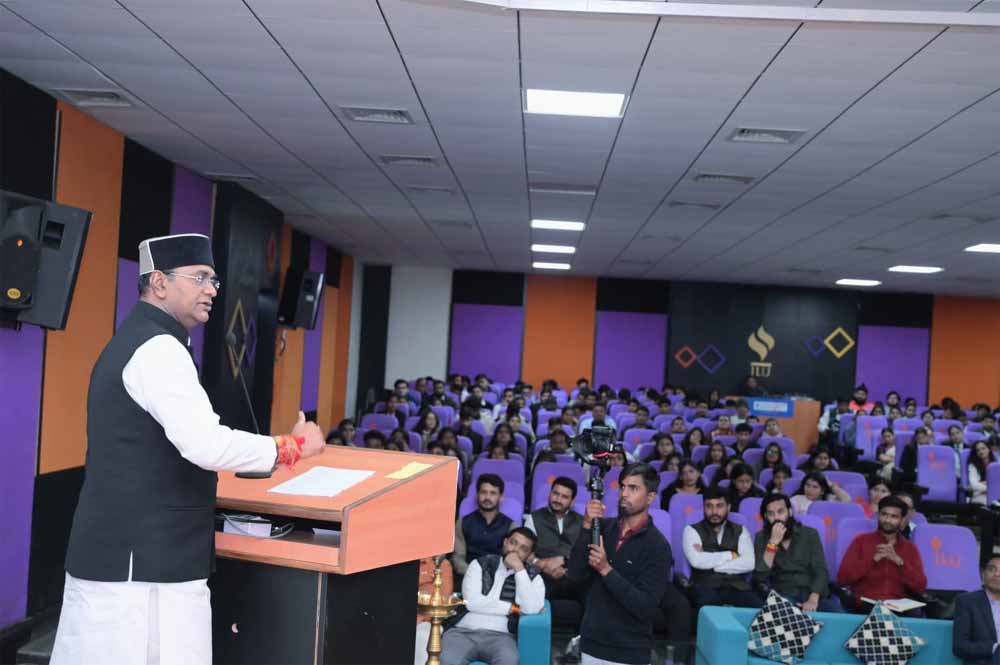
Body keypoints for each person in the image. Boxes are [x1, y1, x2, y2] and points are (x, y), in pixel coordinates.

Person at [50, 233, 326, 665]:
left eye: (213, 280)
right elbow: (206, 445)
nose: (212, 289)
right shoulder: (158, 349)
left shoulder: (145, 340)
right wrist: (291, 447)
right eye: (199, 277)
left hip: (134, 556)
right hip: (142, 567)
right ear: (159, 282)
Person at [567, 463, 672, 665]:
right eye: (622, 486)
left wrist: (605, 569)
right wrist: (586, 526)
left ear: (650, 497)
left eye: (633, 488)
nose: (624, 493)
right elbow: (574, 574)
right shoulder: (602, 528)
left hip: (629, 651)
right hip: (591, 644)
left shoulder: (658, 546)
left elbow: (644, 607)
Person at [440, 528, 546, 665]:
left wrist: (519, 569)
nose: (515, 550)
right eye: (513, 543)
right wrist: (513, 608)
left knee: (509, 661)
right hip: (463, 632)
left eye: (523, 549)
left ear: (530, 555)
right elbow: (472, 603)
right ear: (505, 542)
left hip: (502, 637)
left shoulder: (534, 578)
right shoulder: (479, 564)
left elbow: (531, 608)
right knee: (446, 659)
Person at [836, 496, 927, 614]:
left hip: (899, 607)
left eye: (894, 516)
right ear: (878, 515)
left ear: (902, 520)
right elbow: (843, 579)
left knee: (916, 613)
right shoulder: (861, 541)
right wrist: (872, 559)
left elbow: (920, 586)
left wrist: (900, 562)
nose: (888, 520)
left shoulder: (910, 548)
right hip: (866, 604)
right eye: (884, 514)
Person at [754, 494, 841, 612]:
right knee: (787, 616)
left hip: (812, 593)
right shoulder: (761, 538)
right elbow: (760, 576)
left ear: (789, 512)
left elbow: (820, 570)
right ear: (766, 517)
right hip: (783, 595)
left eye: (780, 512)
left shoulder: (810, 534)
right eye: (771, 514)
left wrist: (813, 599)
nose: (777, 518)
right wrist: (772, 543)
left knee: (839, 614)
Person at [683, 488, 761, 610]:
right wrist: (730, 555)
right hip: (705, 586)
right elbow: (696, 561)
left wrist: (714, 565)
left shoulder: (740, 530)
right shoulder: (691, 530)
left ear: (728, 507)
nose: (714, 511)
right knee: (709, 610)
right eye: (709, 506)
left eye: (719, 506)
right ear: (703, 508)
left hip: (737, 587)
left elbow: (749, 563)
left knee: (758, 609)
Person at [524, 477, 582, 600]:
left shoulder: (582, 522)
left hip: (573, 579)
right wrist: (540, 564)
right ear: (549, 494)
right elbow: (525, 550)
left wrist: (566, 569)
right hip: (541, 577)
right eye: (555, 493)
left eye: (564, 497)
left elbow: (585, 554)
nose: (558, 500)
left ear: (572, 502)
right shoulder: (534, 518)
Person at [452, 474, 515, 577]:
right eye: (483, 492)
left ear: (501, 497)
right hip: (468, 575)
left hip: (499, 577)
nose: (487, 497)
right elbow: (458, 557)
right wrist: (472, 575)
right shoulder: (463, 522)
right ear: (477, 495)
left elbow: (512, 558)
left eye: (493, 493)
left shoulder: (511, 526)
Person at [952, 554, 1000, 665]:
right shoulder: (967, 602)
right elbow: (960, 647)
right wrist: (995, 648)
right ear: (983, 574)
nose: (997, 574)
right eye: (992, 569)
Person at [415, 557, 454, 665]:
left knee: (423, 635)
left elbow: (442, 599)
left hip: (426, 621)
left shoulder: (442, 564)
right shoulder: (401, 560)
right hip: (397, 617)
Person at [969, 440, 993, 505]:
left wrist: (985, 483)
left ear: (989, 449)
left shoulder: (996, 463)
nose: (981, 452)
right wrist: (991, 487)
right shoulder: (973, 466)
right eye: (978, 450)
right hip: (980, 493)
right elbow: (974, 484)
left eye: (983, 448)